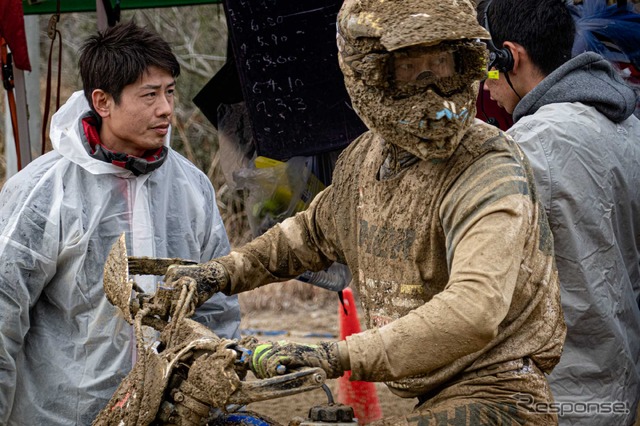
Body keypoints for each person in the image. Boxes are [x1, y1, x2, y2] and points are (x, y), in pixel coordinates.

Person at [164, 0, 567, 423]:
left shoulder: (486, 167)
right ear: (370, 74)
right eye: (412, 68)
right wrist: (218, 274)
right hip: (435, 391)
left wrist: (334, 355)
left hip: (500, 394)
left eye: (443, 66)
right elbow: (309, 235)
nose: (432, 91)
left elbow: (474, 308)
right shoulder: (367, 157)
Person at [0, 21, 241, 425]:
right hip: (62, 414)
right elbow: (4, 312)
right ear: (103, 101)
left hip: (168, 414)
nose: (166, 108)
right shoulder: (44, 191)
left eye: (169, 91)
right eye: (149, 95)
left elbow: (217, 306)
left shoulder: (191, 187)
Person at [481, 0, 640, 424]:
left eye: (486, 66)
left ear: (510, 56)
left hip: (554, 395)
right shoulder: (628, 126)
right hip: (617, 383)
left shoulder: (529, 144)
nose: (485, 85)